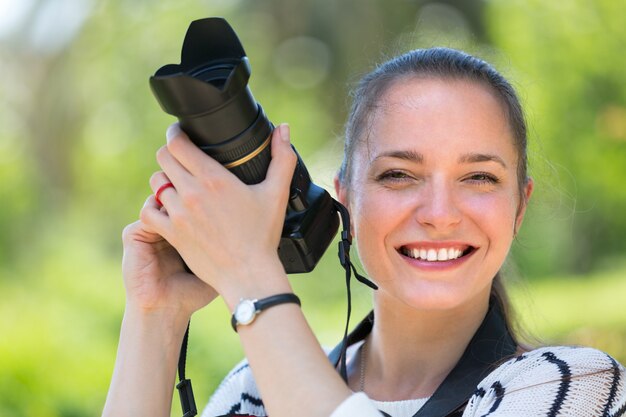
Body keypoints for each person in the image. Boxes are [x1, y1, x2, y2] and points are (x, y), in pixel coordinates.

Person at [102, 47, 626, 417]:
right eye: (399, 174)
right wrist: (156, 316)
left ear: (519, 207)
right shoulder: (254, 391)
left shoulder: (572, 386)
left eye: (479, 177)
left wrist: (250, 275)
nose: (440, 213)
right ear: (345, 199)